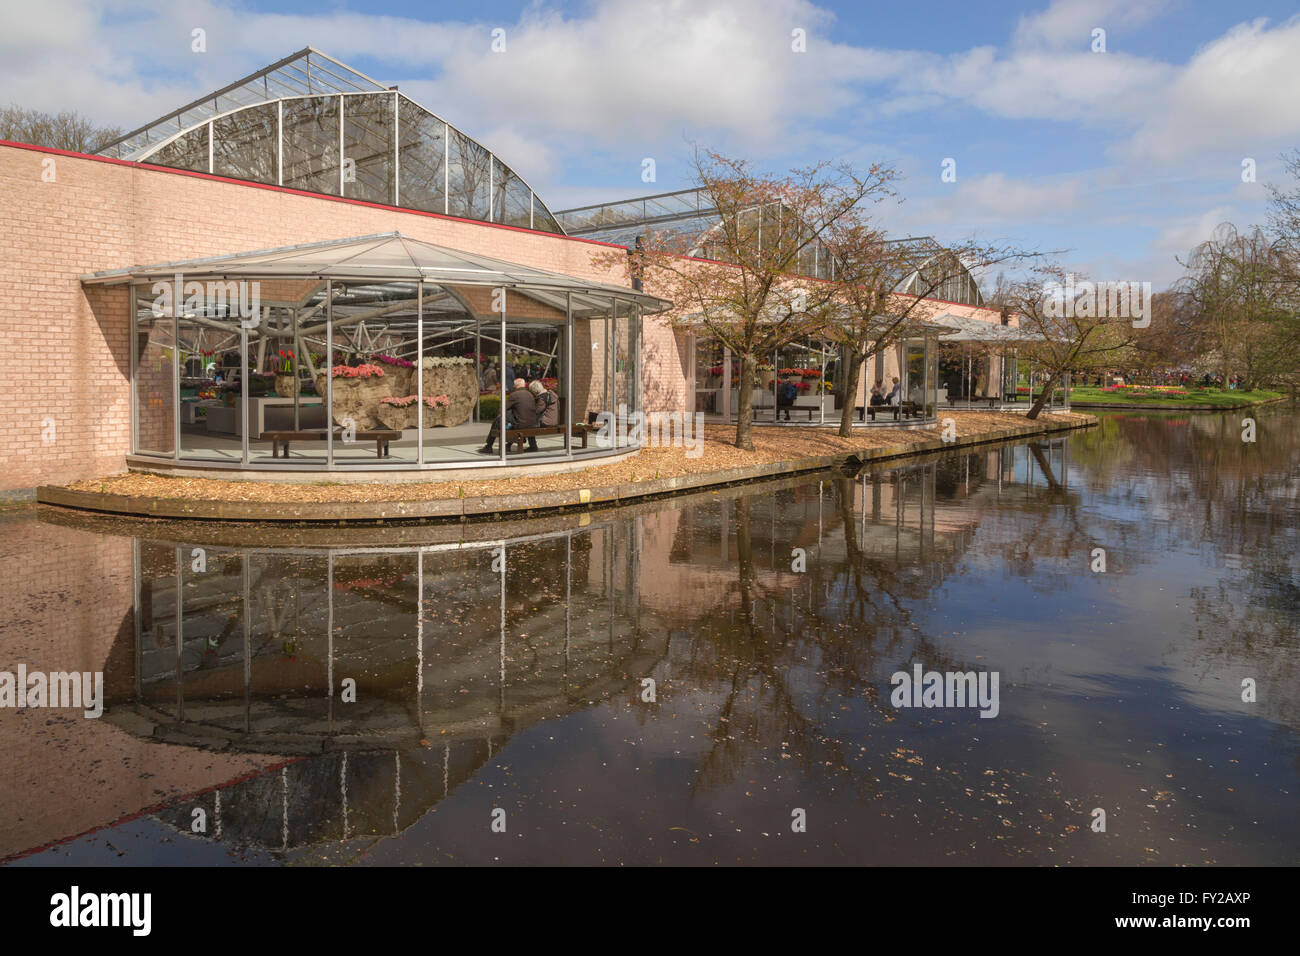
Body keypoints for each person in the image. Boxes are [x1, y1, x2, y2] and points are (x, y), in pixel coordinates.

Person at [479, 378, 538, 454]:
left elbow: (502, 410)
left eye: (514, 385)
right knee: (517, 419)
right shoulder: (530, 395)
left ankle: (489, 446)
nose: (513, 386)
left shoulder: (515, 395)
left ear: (516, 386)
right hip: (532, 423)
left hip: (519, 424)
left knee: (498, 420)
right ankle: (532, 445)